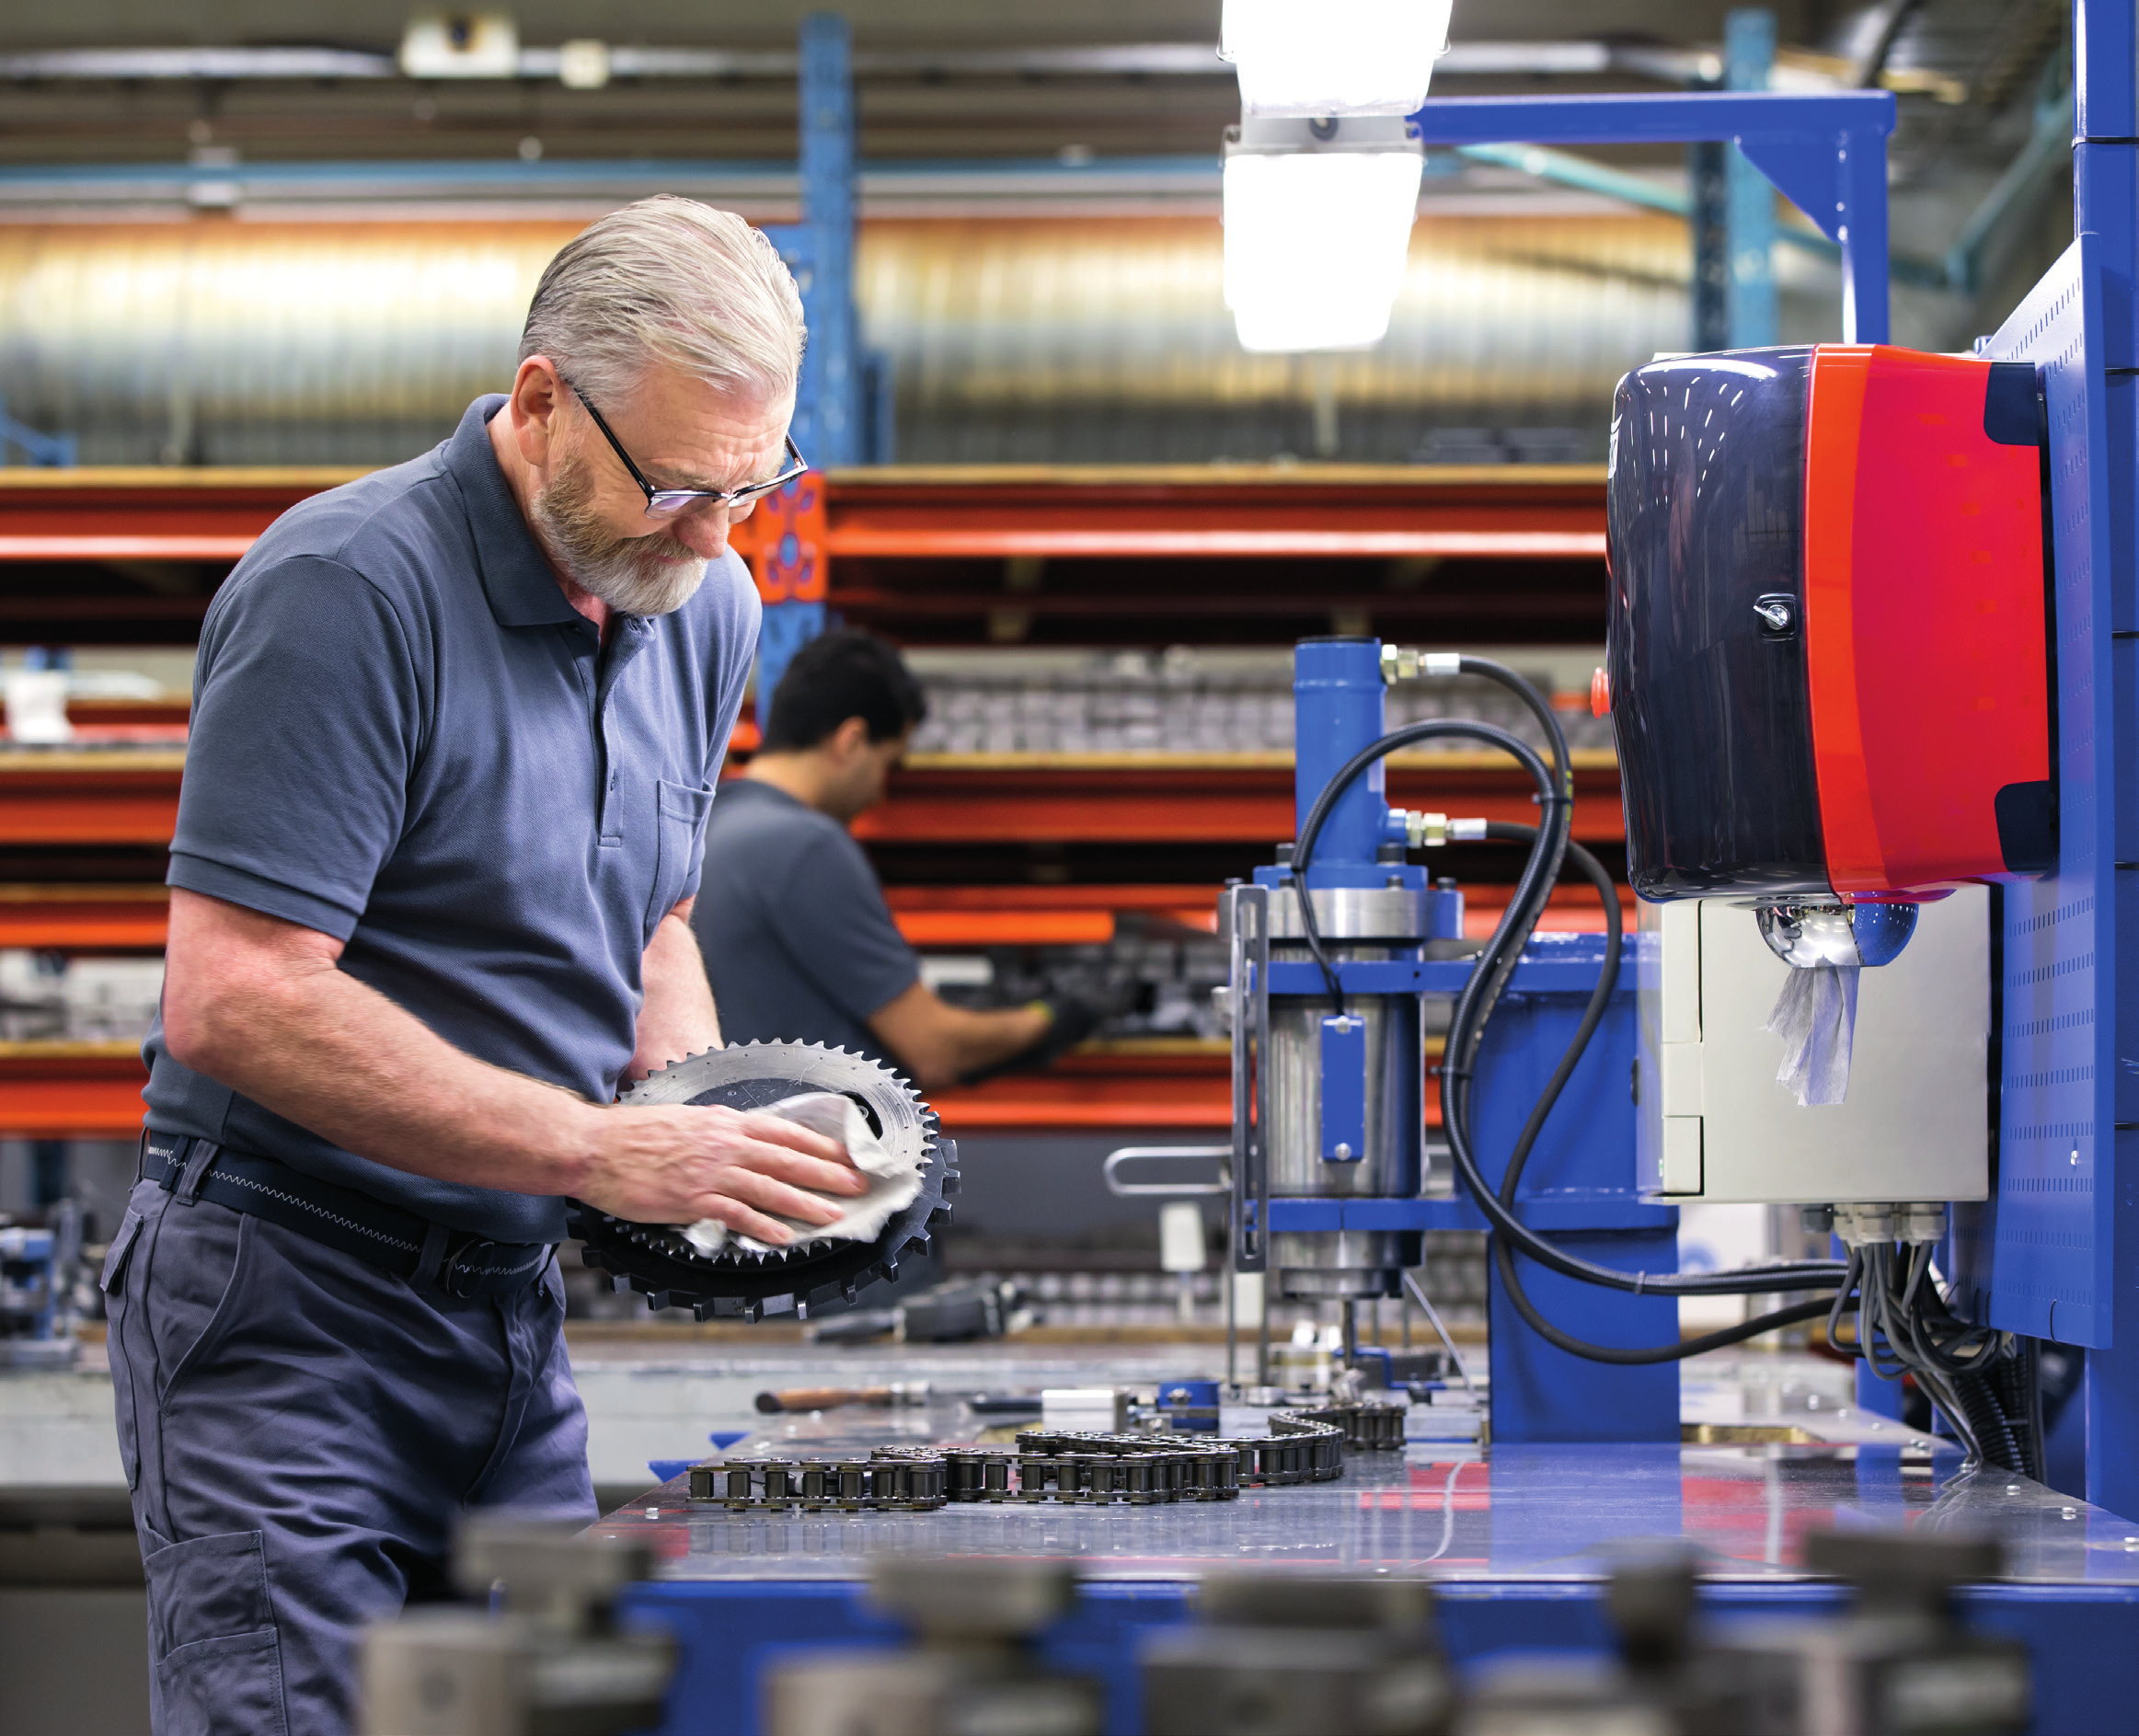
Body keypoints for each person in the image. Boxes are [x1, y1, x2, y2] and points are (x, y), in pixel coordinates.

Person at [100, 197, 871, 1735]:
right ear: (538, 406)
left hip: (509, 1311)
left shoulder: (698, 601)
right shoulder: (348, 591)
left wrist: (702, 1114)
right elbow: (239, 993)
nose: (719, 540)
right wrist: (602, 1146)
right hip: (289, 1306)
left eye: (754, 484)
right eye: (672, 486)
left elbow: (656, 917)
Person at [694, 629, 1109, 1091]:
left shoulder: (710, 825)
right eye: (888, 763)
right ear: (851, 740)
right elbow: (936, 1050)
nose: (880, 791)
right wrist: (1054, 1017)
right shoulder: (805, 845)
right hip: (811, 1149)